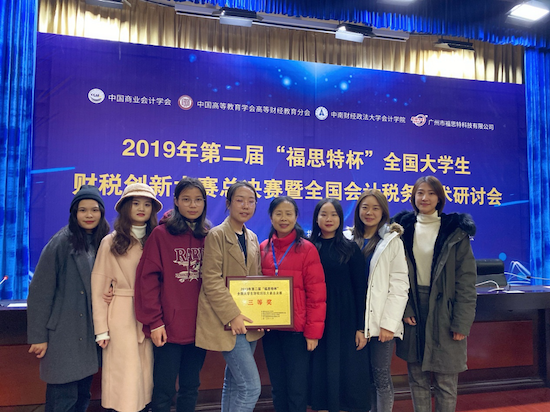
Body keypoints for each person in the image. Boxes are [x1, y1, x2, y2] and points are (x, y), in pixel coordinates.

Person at [392, 176, 477, 412]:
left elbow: (466, 281)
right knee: (417, 377)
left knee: (445, 381)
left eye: (431, 193)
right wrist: (405, 308)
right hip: (414, 307)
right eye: (420, 193)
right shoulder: (401, 231)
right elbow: (395, 275)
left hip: (445, 310)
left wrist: (461, 322)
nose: (425, 198)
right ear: (413, 197)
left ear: (439, 198)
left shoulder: (455, 231)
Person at [27, 185, 110, 412]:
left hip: (88, 333)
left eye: (94, 210)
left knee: (82, 395)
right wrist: (38, 337)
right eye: (83, 210)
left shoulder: (103, 241)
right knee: (63, 397)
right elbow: (40, 292)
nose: (89, 215)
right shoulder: (61, 242)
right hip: (63, 333)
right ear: (74, 213)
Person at [134, 178, 209, 412]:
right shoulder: (160, 234)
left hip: (200, 327)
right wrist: (155, 322)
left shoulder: (209, 235)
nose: (193, 205)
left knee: (191, 387)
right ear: (176, 201)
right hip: (168, 328)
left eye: (198, 200)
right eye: (186, 199)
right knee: (164, 389)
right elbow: (147, 281)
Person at [91, 183, 162, 412]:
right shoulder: (110, 242)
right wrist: (101, 329)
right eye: (135, 203)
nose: (141, 208)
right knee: (125, 379)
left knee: (146, 377)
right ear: (125, 207)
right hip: (121, 315)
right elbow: (99, 287)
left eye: (147, 204)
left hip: (151, 316)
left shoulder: (157, 240)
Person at [195, 180, 264, 412]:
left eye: (251, 201)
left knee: (234, 383)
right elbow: (211, 280)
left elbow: (256, 280)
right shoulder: (216, 235)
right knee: (251, 388)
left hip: (249, 322)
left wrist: (262, 315)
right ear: (228, 203)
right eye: (240, 200)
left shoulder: (252, 237)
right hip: (228, 321)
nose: (245, 206)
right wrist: (232, 315)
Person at [260, 196, 326, 412]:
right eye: (278, 213)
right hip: (271, 331)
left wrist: (313, 333)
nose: (283, 218)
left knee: (297, 388)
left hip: (297, 332)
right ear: (271, 217)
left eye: (288, 214)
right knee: (277, 387)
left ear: (296, 217)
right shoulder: (263, 248)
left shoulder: (307, 249)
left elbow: (317, 294)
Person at [347, 189, 409, 412]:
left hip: (381, 321)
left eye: (375, 208)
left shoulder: (392, 241)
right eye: (365, 207)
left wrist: (389, 324)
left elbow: (399, 286)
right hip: (354, 319)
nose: (369, 212)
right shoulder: (347, 239)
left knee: (381, 375)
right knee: (362, 376)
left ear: (383, 212)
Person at [309, 198, 370, 412]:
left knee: (346, 367)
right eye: (324, 214)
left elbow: (360, 289)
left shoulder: (350, 249)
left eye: (334, 214)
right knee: (320, 365)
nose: (329, 219)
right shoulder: (308, 248)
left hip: (345, 316)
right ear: (316, 218)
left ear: (340, 218)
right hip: (317, 315)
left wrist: (361, 327)